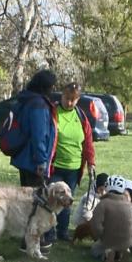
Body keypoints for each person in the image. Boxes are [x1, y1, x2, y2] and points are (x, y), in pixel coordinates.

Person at [45, 82, 96, 243]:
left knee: (67, 200)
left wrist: (91, 162)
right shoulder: (53, 112)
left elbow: (88, 141)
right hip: (55, 167)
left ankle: (62, 231)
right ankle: (48, 231)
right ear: (62, 96)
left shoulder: (80, 116)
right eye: (67, 98)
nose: (69, 102)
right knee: (52, 199)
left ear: (78, 100)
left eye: (73, 100)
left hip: (73, 168)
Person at [11, 69, 57, 187]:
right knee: (36, 200)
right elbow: (39, 135)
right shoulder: (39, 104)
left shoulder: (26, 99)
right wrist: (41, 161)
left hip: (23, 156)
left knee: (27, 197)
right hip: (34, 160)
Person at [89, 175, 132, 262]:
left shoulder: (103, 203)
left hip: (108, 240)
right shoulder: (128, 205)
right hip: (126, 241)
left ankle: (106, 254)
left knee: (95, 249)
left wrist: (99, 236)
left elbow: (96, 224)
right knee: (120, 245)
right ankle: (122, 252)